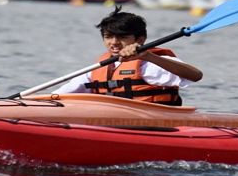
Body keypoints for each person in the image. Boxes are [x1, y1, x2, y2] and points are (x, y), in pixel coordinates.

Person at [53, 6, 203, 105]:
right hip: (110, 120)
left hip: (157, 123)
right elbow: (59, 95)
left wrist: (149, 57)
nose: (114, 43)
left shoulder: (151, 63)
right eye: (108, 37)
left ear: (140, 40)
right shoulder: (99, 67)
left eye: (122, 37)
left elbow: (196, 75)